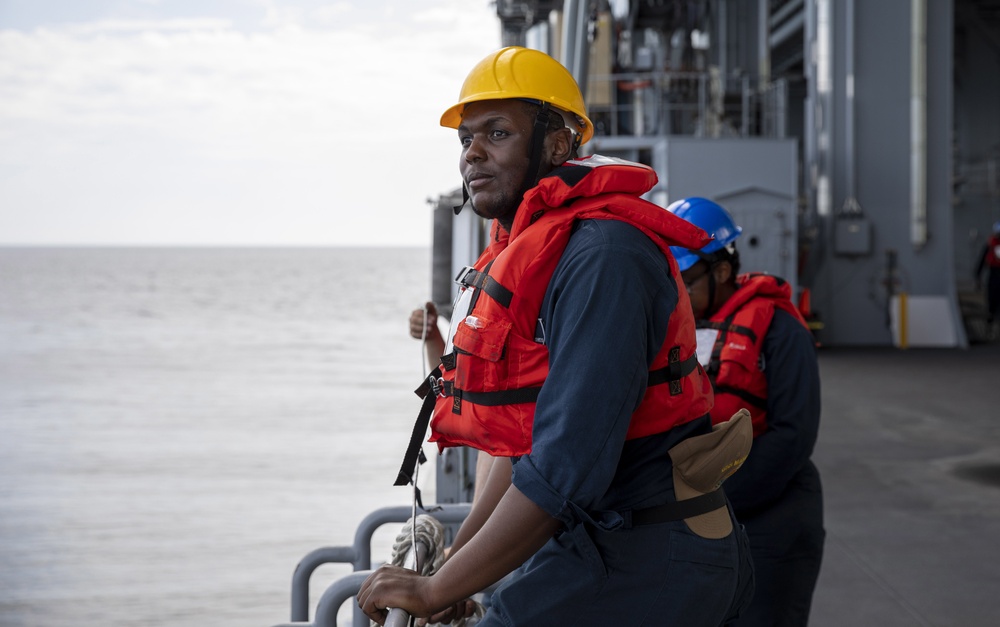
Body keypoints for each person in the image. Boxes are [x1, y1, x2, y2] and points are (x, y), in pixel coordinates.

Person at [359, 46, 753, 626]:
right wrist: (456, 571)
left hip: (650, 558)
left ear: (557, 144)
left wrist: (438, 588)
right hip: (600, 539)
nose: (472, 152)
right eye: (466, 138)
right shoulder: (545, 251)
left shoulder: (604, 259)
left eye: (497, 133)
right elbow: (518, 449)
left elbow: (564, 467)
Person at [669, 197, 825, 627]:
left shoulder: (780, 328)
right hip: (693, 514)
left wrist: (715, 499)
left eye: (685, 281)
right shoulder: (672, 330)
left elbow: (794, 434)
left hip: (772, 514)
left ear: (721, 272)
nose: (676, 294)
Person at [975, 220, 1000, 326]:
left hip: (994, 275)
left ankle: (992, 321)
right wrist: (977, 275)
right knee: (992, 299)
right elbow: (982, 260)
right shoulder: (990, 245)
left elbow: (981, 261)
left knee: (994, 300)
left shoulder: (991, 244)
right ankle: (990, 322)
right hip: (993, 273)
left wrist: (978, 274)